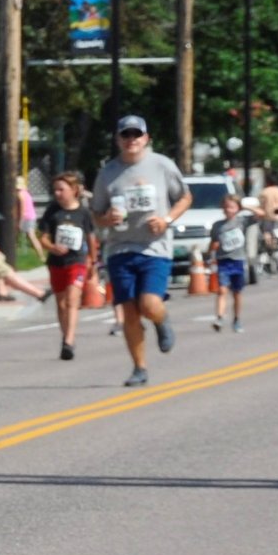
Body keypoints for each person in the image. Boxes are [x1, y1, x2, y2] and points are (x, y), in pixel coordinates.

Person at [93, 114, 191, 387]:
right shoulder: (108, 172)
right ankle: (139, 368)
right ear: (118, 139)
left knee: (149, 303)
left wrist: (166, 220)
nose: (131, 140)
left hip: (154, 247)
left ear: (146, 138)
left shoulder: (161, 165)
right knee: (130, 312)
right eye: (126, 135)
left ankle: (162, 321)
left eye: (137, 135)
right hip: (120, 247)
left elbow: (185, 197)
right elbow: (96, 213)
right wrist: (106, 219)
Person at [36, 171, 98, 359]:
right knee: (61, 303)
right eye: (55, 190)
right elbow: (43, 238)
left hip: (77, 262)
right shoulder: (52, 211)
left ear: (73, 190)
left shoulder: (83, 213)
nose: (57, 193)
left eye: (61, 189)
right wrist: (53, 247)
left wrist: (92, 262)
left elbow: (91, 237)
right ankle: (66, 335)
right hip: (56, 263)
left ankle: (69, 341)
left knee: (72, 300)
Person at [211, 192, 255, 331]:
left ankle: (236, 319)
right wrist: (211, 251)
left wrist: (246, 207)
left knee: (237, 293)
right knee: (222, 290)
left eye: (231, 207)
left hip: (238, 260)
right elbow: (214, 242)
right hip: (223, 261)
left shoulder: (241, 221)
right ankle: (219, 318)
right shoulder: (217, 225)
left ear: (237, 208)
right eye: (225, 207)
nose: (228, 209)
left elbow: (261, 214)